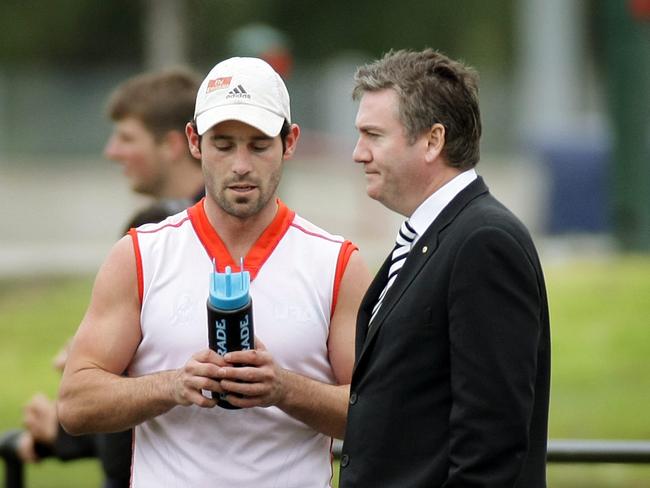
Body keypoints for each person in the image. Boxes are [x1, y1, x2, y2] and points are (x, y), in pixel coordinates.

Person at [57, 56, 370, 487]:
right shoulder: (140, 254)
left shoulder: (337, 264)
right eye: (223, 145)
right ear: (194, 141)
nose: (241, 164)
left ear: (290, 142)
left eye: (259, 144)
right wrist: (170, 386)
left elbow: (378, 417)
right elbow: (75, 403)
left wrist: (284, 389)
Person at [339, 48, 551, 488]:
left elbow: (491, 443)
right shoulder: (437, 236)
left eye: (373, 135)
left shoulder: (483, 242)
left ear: (433, 141)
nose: (358, 153)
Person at [0, 68, 203, 488]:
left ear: (171, 145)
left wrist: (90, 389)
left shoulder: (174, 234)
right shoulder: (157, 226)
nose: (112, 151)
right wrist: (65, 432)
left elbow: (196, 398)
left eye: (127, 138)